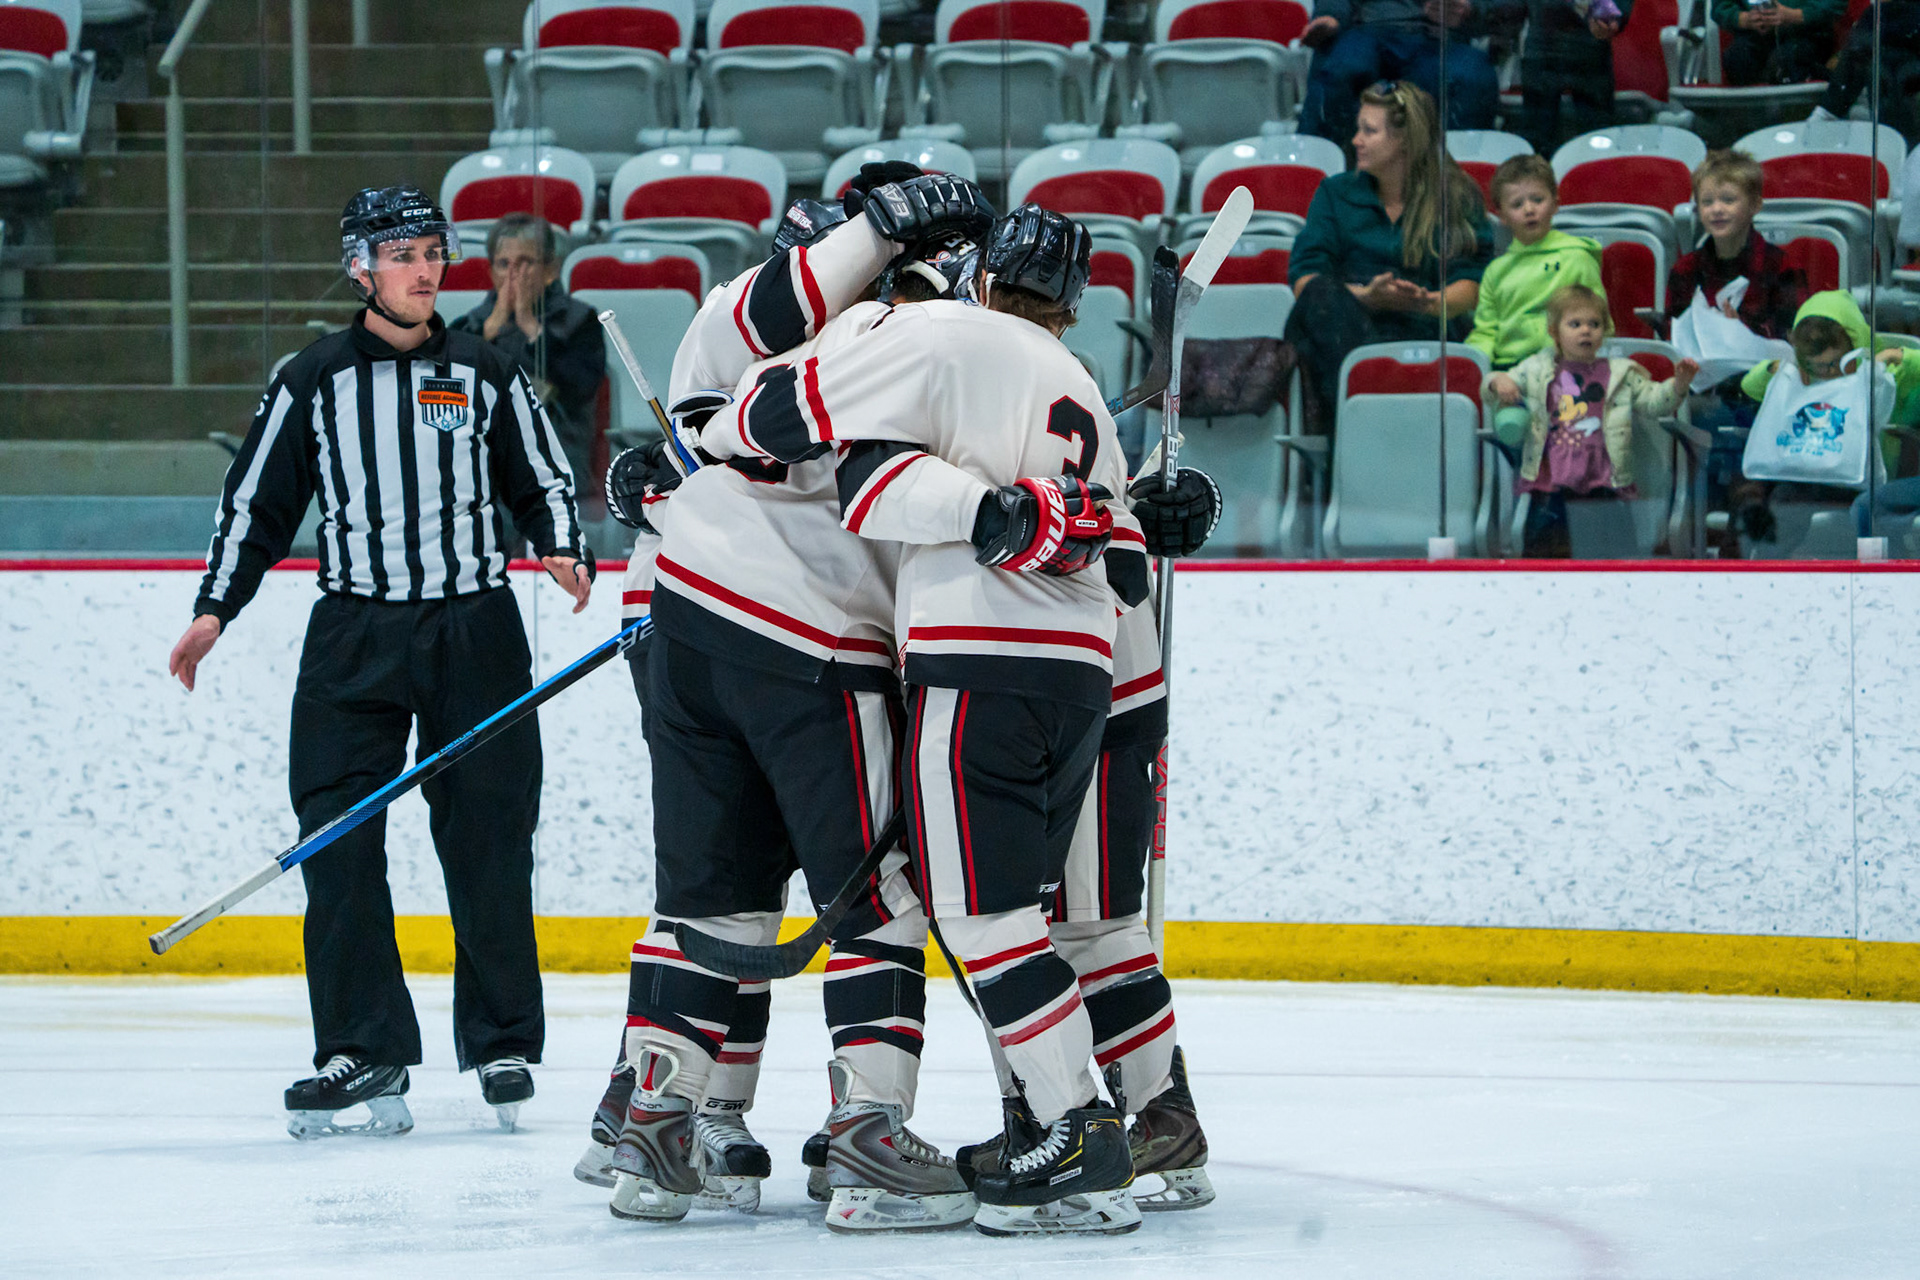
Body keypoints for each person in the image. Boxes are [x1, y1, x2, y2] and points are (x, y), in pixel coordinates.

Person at [702, 204, 1152, 1237]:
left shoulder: (940, 332)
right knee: (1017, 911)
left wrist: (709, 431)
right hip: (1080, 678)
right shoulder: (1081, 384)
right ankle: (1057, 1126)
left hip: (978, 663)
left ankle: (1078, 1130)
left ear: (981, 275)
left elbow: (821, 449)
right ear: (1073, 304)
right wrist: (1041, 512)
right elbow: (1126, 564)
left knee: (982, 917)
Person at [603, 171, 1001, 1232]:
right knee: (878, 900)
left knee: (712, 900)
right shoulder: (904, 340)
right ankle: (869, 1138)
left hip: (690, 626)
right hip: (816, 648)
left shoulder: (725, 324)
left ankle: (658, 1127)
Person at [165, 186, 594, 1140]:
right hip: (354, 637)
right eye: (404, 255)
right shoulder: (311, 379)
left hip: (475, 632)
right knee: (336, 836)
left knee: (490, 837)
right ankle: (363, 1045)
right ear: (360, 268)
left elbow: (543, 478)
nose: (426, 270)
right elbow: (257, 505)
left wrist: (562, 546)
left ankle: (502, 1042)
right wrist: (214, 609)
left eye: (434, 252)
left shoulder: (485, 369)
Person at [1286, 80, 1494, 428]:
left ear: (1404, 141)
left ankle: (1373, 416)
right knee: (1322, 297)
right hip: (1344, 331)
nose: (1356, 140)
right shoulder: (1335, 193)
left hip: (1424, 325)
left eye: (1369, 131)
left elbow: (1473, 284)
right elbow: (1305, 281)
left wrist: (1424, 302)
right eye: (1358, 129)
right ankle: (1368, 416)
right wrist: (1365, 297)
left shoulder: (1456, 195)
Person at [1490, 284, 1698, 555]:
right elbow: (1493, 386)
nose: (1586, 330)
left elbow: (1655, 403)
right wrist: (1498, 381)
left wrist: (1679, 385)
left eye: (1594, 324)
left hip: (1605, 485)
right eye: (1575, 324)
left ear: (1604, 331)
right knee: (1548, 560)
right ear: (1554, 331)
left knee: (1611, 562)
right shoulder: (1536, 368)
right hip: (1552, 486)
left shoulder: (1621, 373)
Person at [1731, 291, 1920, 543]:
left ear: (1856, 345)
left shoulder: (1882, 375)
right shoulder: (1802, 377)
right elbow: (1749, 385)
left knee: (1870, 512)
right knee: (1781, 501)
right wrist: (1777, 369)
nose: (1827, 372)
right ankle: (1768, 564)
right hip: (1811, 475)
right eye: (1816, 365)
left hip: (1865, 478)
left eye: (1834, 364)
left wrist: (1899, 356)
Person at [451, 213, 606, 491]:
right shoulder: (468, 327)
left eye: (525, 263)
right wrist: (490, 330)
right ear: (491, 272)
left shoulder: (580, 322)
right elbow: (450, 391)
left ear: (550, 270)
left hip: (558, 461)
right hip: (484, 465)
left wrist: (532, 329)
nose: (514, 275)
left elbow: (581, 388)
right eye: (504, 264)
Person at [1472, 154, 1606, 449]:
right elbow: (1485, 332)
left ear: (1555, 204)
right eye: (1517, 204)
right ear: (1502, 215)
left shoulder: (1577, 257)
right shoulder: (1496, 271)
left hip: (1565, 367)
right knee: (1510, 424)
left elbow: (1598, 320)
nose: (1529, 209)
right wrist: (1485, 373)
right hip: (1511, 373)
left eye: (1537, 199)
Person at [1297, 0, 1501, 144]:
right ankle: (1317, 168)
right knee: (1341, 69)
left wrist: (1470, 9)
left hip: (1440, 36)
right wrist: (1330, 15)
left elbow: (1497, 7)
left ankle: (1462, 175)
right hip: (1369, 30)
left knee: (1473, 77)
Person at [1666, 150, 1806, 345]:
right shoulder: (1685, 269)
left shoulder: (1782, 268)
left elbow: (1795, 339)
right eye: (1707, 202)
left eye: (1728, 200)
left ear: (1755, 205)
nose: (1716, 209)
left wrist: (1743, 332)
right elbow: (1672, 336)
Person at [1496, 0, 1632, 154]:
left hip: (1585, 52)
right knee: (1539, 142)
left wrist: (1615, 17)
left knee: (1596, 140)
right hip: (1547, 50)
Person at [1810, 0, 1920, 136]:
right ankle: (1827, 112)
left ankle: (1827, 112)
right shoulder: (1875, 12)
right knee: (1872, 61)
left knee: (1889, 66)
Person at [1714, 0, 1841, 88]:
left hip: (1807, 35)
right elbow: (1720, 7)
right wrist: (1745, 19)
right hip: (1754, 37)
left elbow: (1834, 5)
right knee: (1737, 58)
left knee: (1790, 60)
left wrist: (1794, 16)